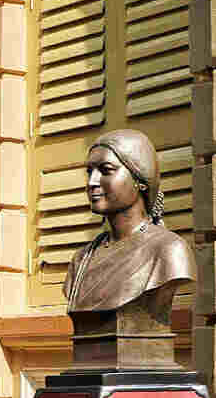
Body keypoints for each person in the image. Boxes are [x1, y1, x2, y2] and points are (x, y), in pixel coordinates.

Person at [64, 129, 194, 313]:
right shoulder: (81, 260)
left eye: (106, 170)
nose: (92, 182)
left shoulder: (169, 250)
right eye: (89, 171)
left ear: (140, 180)